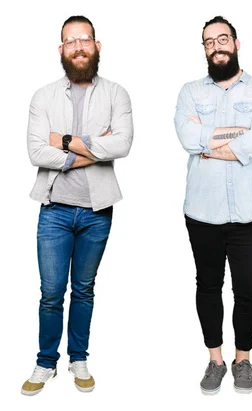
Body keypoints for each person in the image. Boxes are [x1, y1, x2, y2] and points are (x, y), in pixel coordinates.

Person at [22, 15, 133, 395]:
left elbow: (122, 145)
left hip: (97, 211)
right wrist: (90, 149)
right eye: (71, 41)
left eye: (85, 39)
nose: (79, 46)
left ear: (97, 46)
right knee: (51, 292)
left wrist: (64, 141)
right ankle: (45, 362)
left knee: (84, 289)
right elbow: (37, 151)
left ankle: (78, 357)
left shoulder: (117, 94)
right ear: (61, 50)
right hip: (53, 209)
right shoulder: (43, 96)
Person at [174, 15, 252, 395]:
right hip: (202, 212)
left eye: (223, 39)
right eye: (209, 42)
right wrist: (238, 140)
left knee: (248, 290)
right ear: (205, 49)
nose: (216, 46)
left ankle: (243, 360)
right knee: (208, 286)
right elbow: (188, 139)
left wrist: (211, 145)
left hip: (248, 212)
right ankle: (215, 360)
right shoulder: (189, 91)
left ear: (236, 43)